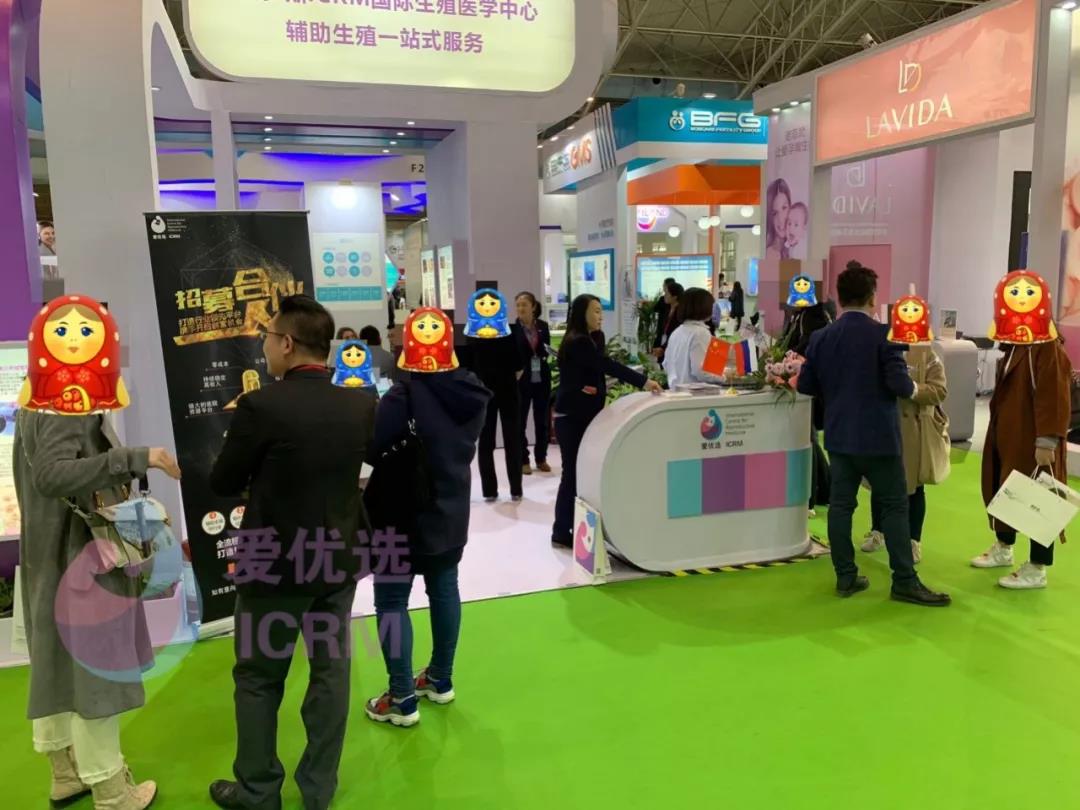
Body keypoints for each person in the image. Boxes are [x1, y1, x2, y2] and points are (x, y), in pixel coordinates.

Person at [208, 295, 376, 810]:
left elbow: (223, 481)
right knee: (330, 674)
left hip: (273, 567)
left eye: (267, 337)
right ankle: (318, 789)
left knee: (259, 678)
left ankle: (258, 792)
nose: (264, 346)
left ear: (286, 343)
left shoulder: (262, 406)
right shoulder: (361, 403)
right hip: (336, 560)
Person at [13, 294, 181, 810]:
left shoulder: (37, 397)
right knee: (94, 673)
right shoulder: (66, 402)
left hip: (49, 555)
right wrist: (136, 457)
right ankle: (111, 789)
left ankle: (65, 774)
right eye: (66, 332)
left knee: (58, 668)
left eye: (87, 333)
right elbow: (52, 475)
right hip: (80, 558)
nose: (77, 342)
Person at [796, 262, 950, 606]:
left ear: (839, 297)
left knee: (841, 508)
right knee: (895, 507)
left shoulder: (821, 338)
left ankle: (845, 576)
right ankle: (904, 581)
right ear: (872, 298)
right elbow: (899, 385)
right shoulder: (885, 335)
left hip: (839, 437)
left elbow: (806, 385)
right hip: (880, 438)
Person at [364, 308, 491, 726]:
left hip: (398, 511)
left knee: (392, 601)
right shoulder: (472, 394)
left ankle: (402, 695)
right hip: (450, 508)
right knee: (444, 589)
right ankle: (440, 678)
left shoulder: (401, 397)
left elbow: (372, 448)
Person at [974, 270, 1072, 589]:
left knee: (1039, 500)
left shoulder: (1048, 348)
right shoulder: (1018, 345)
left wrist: (1047, 440)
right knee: (1005, 491)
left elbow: (1054, 396)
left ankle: (1037, 567)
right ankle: (1004, 547)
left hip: (1032, 439)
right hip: (1008, 434)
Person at [552, 295, 662, 547]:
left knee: (580, 473)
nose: (600, 316)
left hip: (585, 414)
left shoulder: (593, 338)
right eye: (596, 311)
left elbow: (594, 371)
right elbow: (605, 365)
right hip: (572, 418)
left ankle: (575, 528)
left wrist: (593, 387)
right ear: (582, 313)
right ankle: (561, 530)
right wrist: (643, 381)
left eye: (601, 312)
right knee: (572, 474)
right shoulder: (578, 341)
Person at [862, 341, 948, 564]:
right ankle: (878, 530)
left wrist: (913, 389)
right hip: (881, 426)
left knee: (913, 488)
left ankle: (913, 540)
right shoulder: (878, 348)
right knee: (878, 482)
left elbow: (940, 391)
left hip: (913, 431)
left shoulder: (926, 354)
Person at [464, 292, 525, 502]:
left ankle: (489, 490)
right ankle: (516, 489)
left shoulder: (471, 334)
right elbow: (519, 365)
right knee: (511, 439)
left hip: (483, 393)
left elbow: (467, 368)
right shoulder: (509, 331)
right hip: (507, 389)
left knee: (486, 441)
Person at [514, 292, 552, 475]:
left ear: (533, 307)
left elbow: (545, 350)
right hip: (522, 380)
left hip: (541, 378)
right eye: (518, 305)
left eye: (524, 305)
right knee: (520, 422)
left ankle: (541, 458)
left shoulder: (543, 326)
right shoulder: (512, 329)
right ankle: (523, 460)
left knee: (542, 420)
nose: (520, 308)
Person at [664, 288, 726, 388]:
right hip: (697, 394)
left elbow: (666, 364)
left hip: (676, 391)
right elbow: (701, 371)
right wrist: (724, 377)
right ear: (704, 307)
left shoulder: (676, 332)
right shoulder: (700, 333)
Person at [652, 282, 684, 361]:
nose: (664, 296)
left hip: (673, 348)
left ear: (675, 297)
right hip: (662, 345)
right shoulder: (667, 309)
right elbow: (662, 330)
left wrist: (664, 347)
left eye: (667, 293)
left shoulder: (681, 313)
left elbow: (676, 333)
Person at [765, 179, 791, 262]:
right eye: (774, 213)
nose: (780, 219)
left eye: (784, 208)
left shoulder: (792, 246)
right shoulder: (771, 254)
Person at [651, 277, 676, 354]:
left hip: (667, 328)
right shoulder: (663, 299)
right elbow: (655, 309)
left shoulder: (676, 308)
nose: (663, 287)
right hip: (662, 327)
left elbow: (655, 308)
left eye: (664, 285)